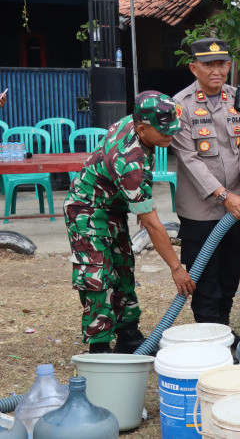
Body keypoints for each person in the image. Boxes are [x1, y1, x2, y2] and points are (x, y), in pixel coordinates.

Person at [64, 91, 195, 354]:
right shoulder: (130, 162)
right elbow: (154, 225)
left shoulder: (136, 122)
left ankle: (128, 334)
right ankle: (99, 348)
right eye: (163, 131)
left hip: (114, 206)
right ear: (142, 128)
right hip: (86, 210)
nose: (170, 135)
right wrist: (176, 267)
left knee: (123, 268)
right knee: (97, 275)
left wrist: (134, 200)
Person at [171, 38, 240, 338]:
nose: (217, 70)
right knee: (205, 277)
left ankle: (223, 329)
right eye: (208, 65)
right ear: (193, 67)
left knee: (231, 269)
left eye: (221, 63)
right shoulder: (180, 106)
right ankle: (209, 336)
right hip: (201, 210)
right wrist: (224, 195)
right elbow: (189, 158)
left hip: (238, 206)